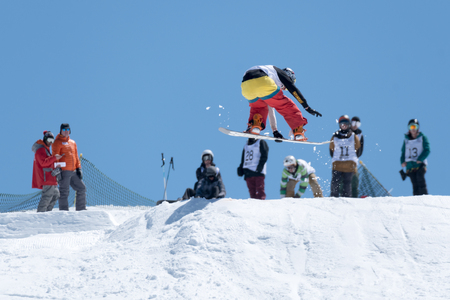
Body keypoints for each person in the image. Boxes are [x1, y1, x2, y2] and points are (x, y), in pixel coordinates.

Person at [241, 65, 322, 141]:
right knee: (286, 106)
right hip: (263, 81)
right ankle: (298, 131)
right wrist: (306, 107)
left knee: (259, 107)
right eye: (284, 87)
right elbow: (293, 90)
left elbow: (270, 108)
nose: (283, 89)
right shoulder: (281, 74)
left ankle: (255, 125)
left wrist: (275, 131)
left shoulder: (270, 72)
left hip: (246, 86)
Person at [52, 123, 87, 211]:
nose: (66, 132)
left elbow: (76, 156)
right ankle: (64, 211)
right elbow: (55, 157)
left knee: (82, 188)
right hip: (64, 171)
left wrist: (79, 168)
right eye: (64, 130)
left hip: (73, 170)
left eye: (68, 130)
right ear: (60, 131)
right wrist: (58, 171)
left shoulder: (73, 142)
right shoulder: (57, 142)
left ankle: (81, 209)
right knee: (64, 192)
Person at [329, 115, 361, 197]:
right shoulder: (335, 136)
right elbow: (331, 148)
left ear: (349, 124)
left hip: (349, 163)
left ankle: (346, 198)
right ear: (339, 125)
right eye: (342, 123)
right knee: (335, 182)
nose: (344, 125)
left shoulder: (353, 136)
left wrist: (353, 159)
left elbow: (358, 148)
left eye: (346, 123)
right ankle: (333, 197)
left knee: (347, 182)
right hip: (338, 163)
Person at [32, 131, 63, 212]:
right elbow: (43, 162)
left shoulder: (46, 149)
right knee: (47, 196)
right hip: (46, 178)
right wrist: (54, 158)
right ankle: (41, 214)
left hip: (51, 177)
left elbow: (48, 163)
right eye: (49, 140)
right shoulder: (40, 149)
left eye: (52, 141)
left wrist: (56, 166)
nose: (50, 142)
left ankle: (46, 213)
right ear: (45, 139)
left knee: (55, 195)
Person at [400, 119, 430, 195]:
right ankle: (416, 199)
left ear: (418, 128)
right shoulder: (406, 140)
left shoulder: (422, 138)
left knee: (420, 180)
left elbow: (427, 149)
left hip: (419, 165)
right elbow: (403, 152)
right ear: (409, 129)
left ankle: (424, 196)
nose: (413, 129)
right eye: (411, 127)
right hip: (410, 166)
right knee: (414, 183)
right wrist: (402, 161)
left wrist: (421, 159)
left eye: (415, 127)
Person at [350, 116, 364, 197]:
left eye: (357, 124)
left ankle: (354, 197)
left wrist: (356, 156)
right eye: (354, 123)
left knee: (354, 178)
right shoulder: (346, 131)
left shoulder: (360, 134)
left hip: (353, 159)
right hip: (343, 159)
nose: (355, 125)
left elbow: (361, 148)